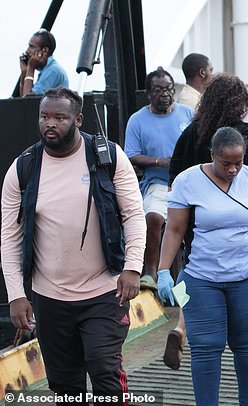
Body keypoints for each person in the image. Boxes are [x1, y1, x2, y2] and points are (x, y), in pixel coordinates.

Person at [1, 87, 146, 403]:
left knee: (104, 369)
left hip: (104, 290)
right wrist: (16, 295)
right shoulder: (23, 168)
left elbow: (134, 215)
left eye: (59, 117)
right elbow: (9, 238)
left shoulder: (108, 157)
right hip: (49, 297)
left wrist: (133, 267)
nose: (49, 124)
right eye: (44, 116)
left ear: (78, 119)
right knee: (65, 387)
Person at [156, 127, 248, 406]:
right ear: (212, 155)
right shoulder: (188, 181)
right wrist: (162, 271)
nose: (232, 169)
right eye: (225, 163)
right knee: (206, 347)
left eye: (238, 163)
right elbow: (174, 230)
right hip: (201, 277)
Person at [163, 73, 248, 370]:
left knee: (190, 273)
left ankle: (182, 327)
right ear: (239, 102)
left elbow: (174, 175)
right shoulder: (242, 133)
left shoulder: (192, 132)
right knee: (246, 280)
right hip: (234, 223)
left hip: (192, 219)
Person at [124, 67, 194, 285]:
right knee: (153, 216)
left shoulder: (187, 114)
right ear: (148, 93)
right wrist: (159, 161)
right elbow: (131, 155)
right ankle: (151, 272)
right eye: (158, 90)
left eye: (168, 89)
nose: (164, 94)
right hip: (158, 183)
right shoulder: (137, 120)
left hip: (188, 183)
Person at [19, 29, 68, 96]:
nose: (27, 50)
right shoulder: (46, 70)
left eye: (31, 47)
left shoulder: (53, 70)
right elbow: (21, 101)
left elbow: (28, 100)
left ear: (45, 50)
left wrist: (31, 68)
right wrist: (24, 72)